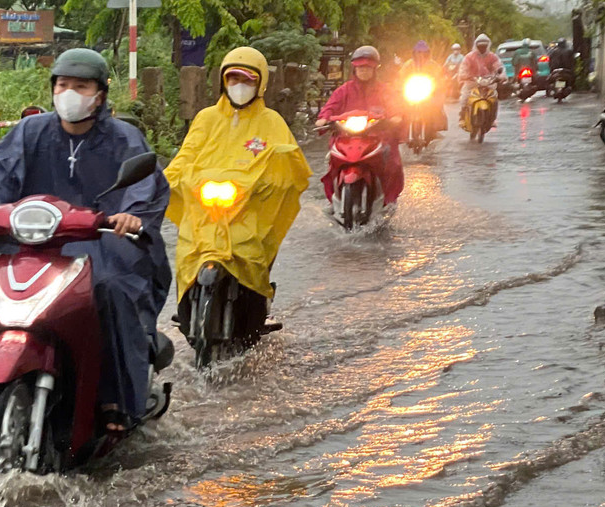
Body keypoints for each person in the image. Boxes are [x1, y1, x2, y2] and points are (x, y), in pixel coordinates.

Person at [0, 47, 170, 432]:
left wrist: (131, 216)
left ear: (100, 95)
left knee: (112, 290)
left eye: (81, 86)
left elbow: (145, 186)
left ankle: (117, 397)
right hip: (31, 241)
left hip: (103, 242)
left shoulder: (125, 138)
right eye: (63, 85)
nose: (70, 93)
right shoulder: (29, 132)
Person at [164, 47, 311, 336]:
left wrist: (266, 182)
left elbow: (287, 161)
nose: (239, 86)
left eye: (247, 80)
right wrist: (169, 178)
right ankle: (186, 307)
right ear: (222, 82)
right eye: (232, 79)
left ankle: (256, 310)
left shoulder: (271, 122)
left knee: (253, 256)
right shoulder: (206, 118)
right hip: (206, 210)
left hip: (248, 210)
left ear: (260, 84)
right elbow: (186, 155)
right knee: (187, 255)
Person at [315, 45, 404, 208]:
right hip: (347, 137)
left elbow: (395, 107)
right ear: (354, 69)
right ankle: (334, 194)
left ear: (374, 69)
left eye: (368, 68)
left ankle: (389, 200)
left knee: (393, 163)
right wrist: (323, 118)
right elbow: (330, 106)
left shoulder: (384, 90)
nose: (364, 71)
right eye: (360, 68)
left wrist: (395, 117)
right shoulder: (344, 90)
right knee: (331, 160)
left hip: (378, 136)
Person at [458, 32, 507, 127]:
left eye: (484, 46)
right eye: (480, 46)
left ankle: (492, 119)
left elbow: (499, 67)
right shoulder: (469, 57)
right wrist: (464, 75)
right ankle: (462, 117)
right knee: (464, 98)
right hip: (472, 82)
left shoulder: (492, 57)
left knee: (494, 98)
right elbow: (463, 68)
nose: (482, 48)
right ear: (476, 46)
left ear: (487, 45)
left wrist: (501, 76)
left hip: (488, 82)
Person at [399, 40, 448, 133]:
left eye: (423, 52)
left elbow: (440, 78)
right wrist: (401, 84)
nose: (421, 55)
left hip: (429, 91)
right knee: (399, 108)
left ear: (427, 53)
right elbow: (401, 76)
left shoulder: (433, 65)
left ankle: (435, 128)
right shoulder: (408, 64)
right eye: (419, 52)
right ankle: (401, 131)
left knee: (437, 106)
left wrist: (438, 85)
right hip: (412, 90)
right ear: (414, 53)